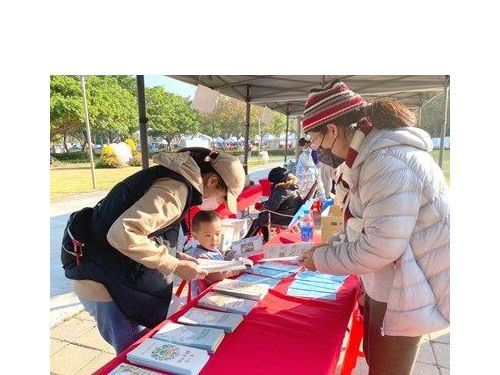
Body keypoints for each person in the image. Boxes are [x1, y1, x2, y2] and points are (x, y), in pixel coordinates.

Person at [298, 80, 449, 375]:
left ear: (332, 130)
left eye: (316, 143)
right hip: (395, 280)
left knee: (387, 367)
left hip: (410, 287)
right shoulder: (368, 157)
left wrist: (321, 259)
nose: (319, 152)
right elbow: (365, 224)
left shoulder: (387, 162)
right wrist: (335, 246)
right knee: (378, 359)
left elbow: (380, 247)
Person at [60, 147, 245, 353]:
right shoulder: (175, 190)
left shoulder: (174, 179)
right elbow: (123, 233)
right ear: (211, 181)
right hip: (108, 285)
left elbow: (146, 232)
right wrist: (174, 265)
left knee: (139, 351)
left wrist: (175, 256)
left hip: (111, 275)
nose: (219, 203)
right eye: (222, 197)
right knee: (136, 354)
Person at [185, 210, 240, 298]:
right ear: (195, 235)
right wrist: (238, 268)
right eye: (208, 235)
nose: (214, 239)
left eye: (217, 234)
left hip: (215, 291)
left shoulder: (212, 249)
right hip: (204, 297)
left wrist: (229, 258)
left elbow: (219, 263)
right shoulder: (200, 256)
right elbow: (216, 275)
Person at [245, 167, 302, 243]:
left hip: (286, 217)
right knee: (262, 215)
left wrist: (262, 205)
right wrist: (264, 204)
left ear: (276, 181)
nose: (271, 184)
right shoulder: (289, 186)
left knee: (258, 221)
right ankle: (266, 239)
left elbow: (271, 207)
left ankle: (246, 241)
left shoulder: (282, 190)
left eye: (272, 183)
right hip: (290, 213)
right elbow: (274, 203)